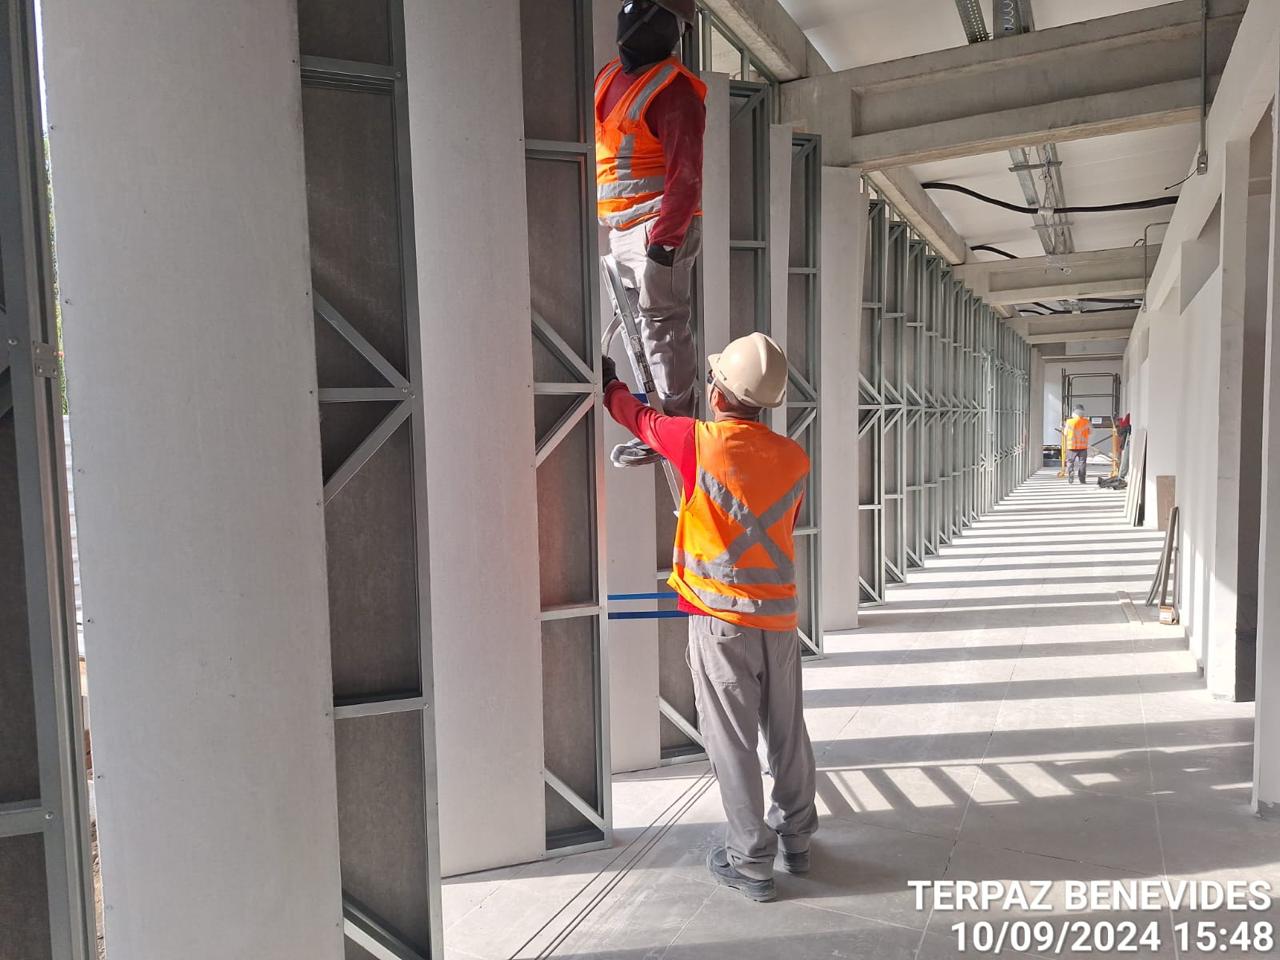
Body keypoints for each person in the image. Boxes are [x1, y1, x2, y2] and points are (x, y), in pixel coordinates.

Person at [602, 332, 819, 903]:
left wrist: (608, 382)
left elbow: (638, 418)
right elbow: (774, 522)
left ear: (718, 393)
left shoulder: (696, 441)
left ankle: (751, 861)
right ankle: (797, 839)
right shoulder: (794, 458)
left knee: (733, 742)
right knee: (788, 733)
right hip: (779, 619)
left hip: (722, 621)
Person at [596, 0, 705, 467]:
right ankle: (657, 423)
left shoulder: (674, 91)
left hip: (656, 227)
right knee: (640, 331)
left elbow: (686, 176)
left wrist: (665, 242)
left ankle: (677, 428)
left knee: (662, 325)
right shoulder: (608, 78)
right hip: (621, 226)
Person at [1064, 405, 1092, 485]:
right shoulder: (1087, 422)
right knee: (1082, 463)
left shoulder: (1069, 421)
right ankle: (1082, 479)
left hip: (1071, 446)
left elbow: (1065, 433)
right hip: (1083, 446)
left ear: (1074, 412)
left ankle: (1071, 472)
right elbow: (1090, 432)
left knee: (1070, 462)